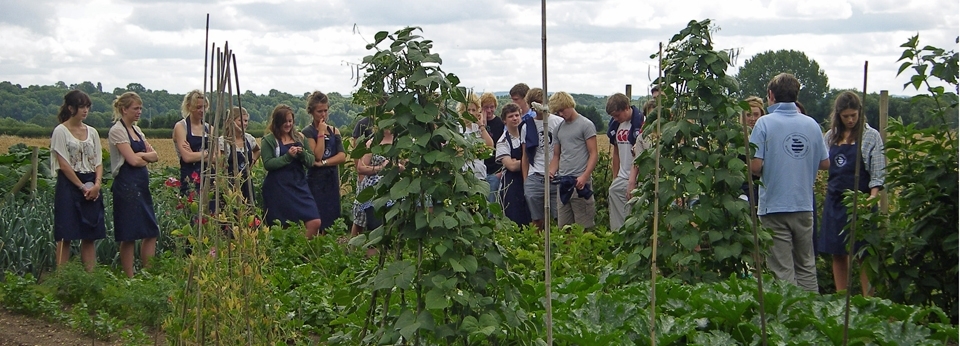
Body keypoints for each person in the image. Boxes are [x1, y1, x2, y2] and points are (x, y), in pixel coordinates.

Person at [749, 73, 829, 292]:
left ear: (771, 95)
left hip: (774, 205)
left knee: (782, 269)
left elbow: (755, 166)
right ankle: (812, 315)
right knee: (806, 265)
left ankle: (791, 318)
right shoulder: (811, 124)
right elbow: (825, 162)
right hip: (803, 204)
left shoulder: (764, 123)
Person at [817, 91, 885, 295]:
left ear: (860, 113)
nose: (850, 120)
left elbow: (878, 172)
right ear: (838, 115)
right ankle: (841, 298)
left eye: (853, 115)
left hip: (862, 203)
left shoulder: (871, 136)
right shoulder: (830, 136)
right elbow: (822, 165)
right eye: (846, 116)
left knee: (865, 253)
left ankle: (868, 301)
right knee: (838, 253)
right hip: (835, 202)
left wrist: (872, 198)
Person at [51, 90, 105, 272]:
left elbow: (98, 161)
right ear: (71, 108)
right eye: (81, 106)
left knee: (89, 234)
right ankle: (62, 280)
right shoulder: (60, 131)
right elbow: (64, 164)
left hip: (91, 182)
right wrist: (81, 186)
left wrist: (97, 185)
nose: (85, 110)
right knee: (65, 234)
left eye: (87, 106)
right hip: (69, 184)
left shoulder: (93, 132)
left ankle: (90, 280)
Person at [108, 92, 160, 277]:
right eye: (135, 108)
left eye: (140, 108)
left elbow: (155, 155)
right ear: (124, 109)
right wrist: (143, 157)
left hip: (141, 184)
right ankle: (129, 276)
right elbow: (132, 161)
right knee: (128, 233)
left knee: (150, 230)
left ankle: (147, 273)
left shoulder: (137, 131)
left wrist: (141, 157)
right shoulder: (117, 130)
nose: (139, 112)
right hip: (126, 185)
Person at [260, 104, 322, 238]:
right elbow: (268, 163)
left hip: (298, 185)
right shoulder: (269, 140)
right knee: (282, 226)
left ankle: (301, 249)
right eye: (284, 122)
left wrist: (302, 154)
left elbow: (311, 160)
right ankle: (288, 254)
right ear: (277, 122)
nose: (288, 124)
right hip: (278, 187)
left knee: (314, 221)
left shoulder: (299, 137)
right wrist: (288, 156)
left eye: (290, 121)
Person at [548, 91, 598, 229]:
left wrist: (584, 176)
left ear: (569, 105)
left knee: (584, 227)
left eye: (562, 110)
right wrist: (551, 172)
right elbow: (557, 156)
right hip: (563, 182)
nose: (560, 114)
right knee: (564, 227)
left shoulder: (586, 125)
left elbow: (593, 153)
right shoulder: (558, 128)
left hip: (580, 182)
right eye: (557, 112)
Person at [302, 91, 347, 233]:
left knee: (331, 217)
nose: (323, 115)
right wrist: (321, 133)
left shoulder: (335, 131)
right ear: (311, 112)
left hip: (331, 179)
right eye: (319, 111)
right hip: (316, 181)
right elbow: (317, 155)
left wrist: (325, 163)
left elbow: (342, 156)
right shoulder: (308, 132)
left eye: (325, 111)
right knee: (316, 216)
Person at [520, 88, 563, 231]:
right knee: (537, 220)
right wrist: (526, 180)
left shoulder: (558, 122)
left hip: (556, 177)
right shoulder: (527, 126)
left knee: (560, 219)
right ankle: (537, 248)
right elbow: (525, 155)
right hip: (535, 176)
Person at [605, 93, 645, 231]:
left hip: (637, 177)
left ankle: (631, 236)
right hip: (622, 176)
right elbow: (616, 152)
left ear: (627, 108)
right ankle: (618, 236)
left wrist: (632, 180)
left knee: (633, 210)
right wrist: (615, 177)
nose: (615, 119)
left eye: (617, 115)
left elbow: (640, 154)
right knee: (614, 192)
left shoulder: (640, 123)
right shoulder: (616, 125)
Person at [353, 128, 399, 233]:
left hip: (395, 191)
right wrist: (382, 168)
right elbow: (361, 168)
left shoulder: (399, 142)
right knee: (375, 228)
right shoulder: (373, 143)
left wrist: (400, 167)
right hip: (375, 191)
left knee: (391, 230)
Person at [495, 104, 531, 225]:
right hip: (511, 185)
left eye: (517, 115)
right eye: (511, 116)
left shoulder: (529, 135)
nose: (515, 118)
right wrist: (529, 161)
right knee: (514, 219)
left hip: (529, 181)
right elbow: (510, 166)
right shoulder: (502, 141)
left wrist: (518, 162)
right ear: (504, 120)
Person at [218, 106, 260, 203]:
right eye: (240, 121)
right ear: (231, 121)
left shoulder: (248, 139)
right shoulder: (223, 142)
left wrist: (251, 163)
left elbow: (257, 150)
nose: (244, 124)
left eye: (246, 121)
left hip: (246, 183)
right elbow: (220, 167)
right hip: (231, 184)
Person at [173, 90, 210, 195]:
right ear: (189, 106)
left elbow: (218, 158)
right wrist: (208, 153)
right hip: (189, 179)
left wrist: (194, 154)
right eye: (198, 107)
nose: (202, 110)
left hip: (208, 180)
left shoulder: (209, 128)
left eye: (204, 107)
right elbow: (187, 157)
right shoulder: (181, 126)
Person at [459, 93, 494, 191]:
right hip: (464, 174)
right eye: (468, 110)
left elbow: (490, 145)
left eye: (473, 110)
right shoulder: (458, 128)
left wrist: (480, 124)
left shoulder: (478, 128)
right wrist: (476, 150)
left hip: (480, 174)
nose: (470, 113)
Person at [740, 96, 766, 206]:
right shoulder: (736, 139)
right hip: (743, 187)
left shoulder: (767, 138)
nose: (753, 119)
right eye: (749, 115)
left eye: (756, 115)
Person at [481, 92, 505, 205]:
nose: (489, 110)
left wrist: (500, 171)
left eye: (492, 107)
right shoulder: (477, 124)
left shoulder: (499, 123)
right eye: (486, 107)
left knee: (492, 203)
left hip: (495, 169)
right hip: (481, 168)